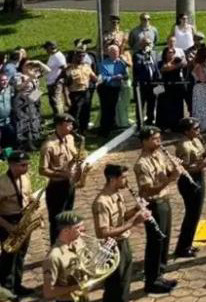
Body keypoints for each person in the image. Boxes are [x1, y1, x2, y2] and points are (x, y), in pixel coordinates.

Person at [93, 163, 148, 302]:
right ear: (112, 179)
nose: (126, 181)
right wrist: (133, 224)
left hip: (124, 243)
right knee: (115, 285)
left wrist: (136, 209)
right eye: (123, 178)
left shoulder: (117, 194)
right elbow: (103, 232)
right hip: (112, 247)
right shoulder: (102, 202)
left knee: (125, 282)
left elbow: (122, 217)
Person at [134, 126, 179, 293]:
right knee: (155, 242)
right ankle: (151, 281)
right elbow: (147, 190)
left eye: (159, 138)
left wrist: (175, 169)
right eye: (154, 139)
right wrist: (169, 180)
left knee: (164, 239)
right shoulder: (141, 164)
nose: (159, 141)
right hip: (154, 204)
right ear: (144, 141)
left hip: (164, 201)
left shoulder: (159, 154)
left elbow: (167, 172)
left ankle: (160, 274)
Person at [173, 118, 206, 259]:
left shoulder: (195, 140)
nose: (198, 131)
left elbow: (202, 154)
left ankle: (188, 243)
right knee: (191, 214)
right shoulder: (183, 146)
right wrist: (204, 165)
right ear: (186, 131)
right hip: (189, 181)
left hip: (199, 177)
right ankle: (183, 248)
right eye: (195, 129)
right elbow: (185, 169)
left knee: (196, 214)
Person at [40, 114, 80, 245]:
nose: (71, 126)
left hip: (70, 183)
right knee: (57, 220)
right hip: (56, 187)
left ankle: (67, 243)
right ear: (59, 125)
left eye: (71, 124)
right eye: (68, 124)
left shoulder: (70, 138)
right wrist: (62, 174)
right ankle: (55, 246)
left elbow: (72, 156)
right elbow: (42, 170)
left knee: (68, 216)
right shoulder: (48, 145)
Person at [0, 150, 35, 297]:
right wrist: (8, 226)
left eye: (27, 164)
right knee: (8, 258)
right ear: (12, 165)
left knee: (20, 255)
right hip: (8, 222)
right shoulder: (2, 183)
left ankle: (17, 285)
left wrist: (33, 203)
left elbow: (28, 196)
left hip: (23, 220)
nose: (26, 168)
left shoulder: (25, 177)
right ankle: (7, 291)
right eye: (22, 165)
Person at [41, 211, 88, 301]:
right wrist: (74, 288)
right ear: (66, 231)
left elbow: (89, 264)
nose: (83, 229)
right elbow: (48, 292)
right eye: (78, 227)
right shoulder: (53, 257)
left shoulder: (79, 242)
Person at [44, 41, 67, 117]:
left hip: (55, 83)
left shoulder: (58, 56)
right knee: (53, 101)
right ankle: (58, 117)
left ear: (51, 47)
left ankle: (60, 118)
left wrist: (57, 80)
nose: (45, 50)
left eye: (46, 48)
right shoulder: (52, 55)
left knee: (56, 101)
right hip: (51, 82)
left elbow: (64, 69)